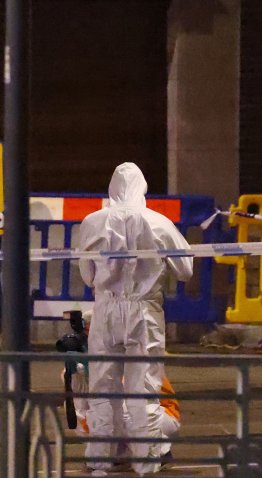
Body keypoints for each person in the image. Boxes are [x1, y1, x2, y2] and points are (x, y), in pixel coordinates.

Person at [77, 162, 193, 476]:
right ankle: (147, 461)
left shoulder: (91, 222)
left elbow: (87, 275)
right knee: (145, 387)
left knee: (102, 385)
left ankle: (101, 458)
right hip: (144, 311)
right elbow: (186, 271)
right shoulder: (159, 222)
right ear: (142, 188)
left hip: (105, 309)